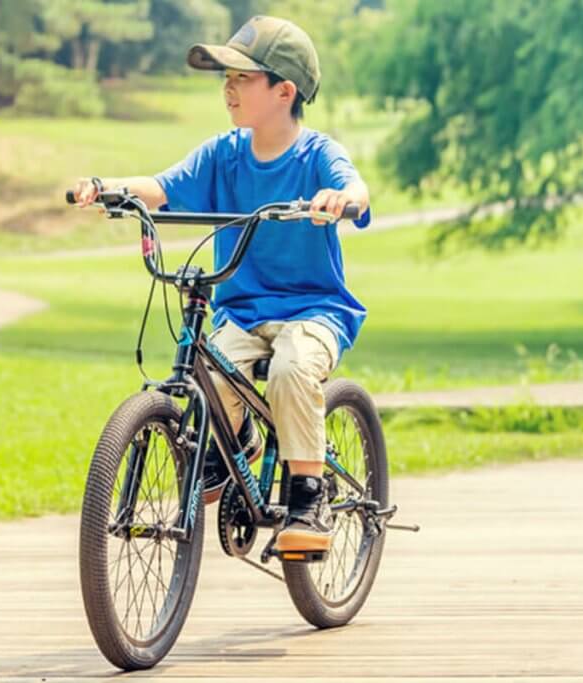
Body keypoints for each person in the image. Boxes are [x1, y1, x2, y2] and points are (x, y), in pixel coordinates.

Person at [72, 15, 371, 554]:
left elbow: (356, 187)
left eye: (242, 78)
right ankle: (237, 441)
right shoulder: (224, 154)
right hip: (244, 311)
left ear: (285, 91)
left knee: (293, 368)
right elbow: (163, 187)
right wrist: (109, 187)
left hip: (316, 310)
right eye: (225, 77)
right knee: (208, 366)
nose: (228, 87)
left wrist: (340, 200)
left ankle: (308, 499)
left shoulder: (316, 155)